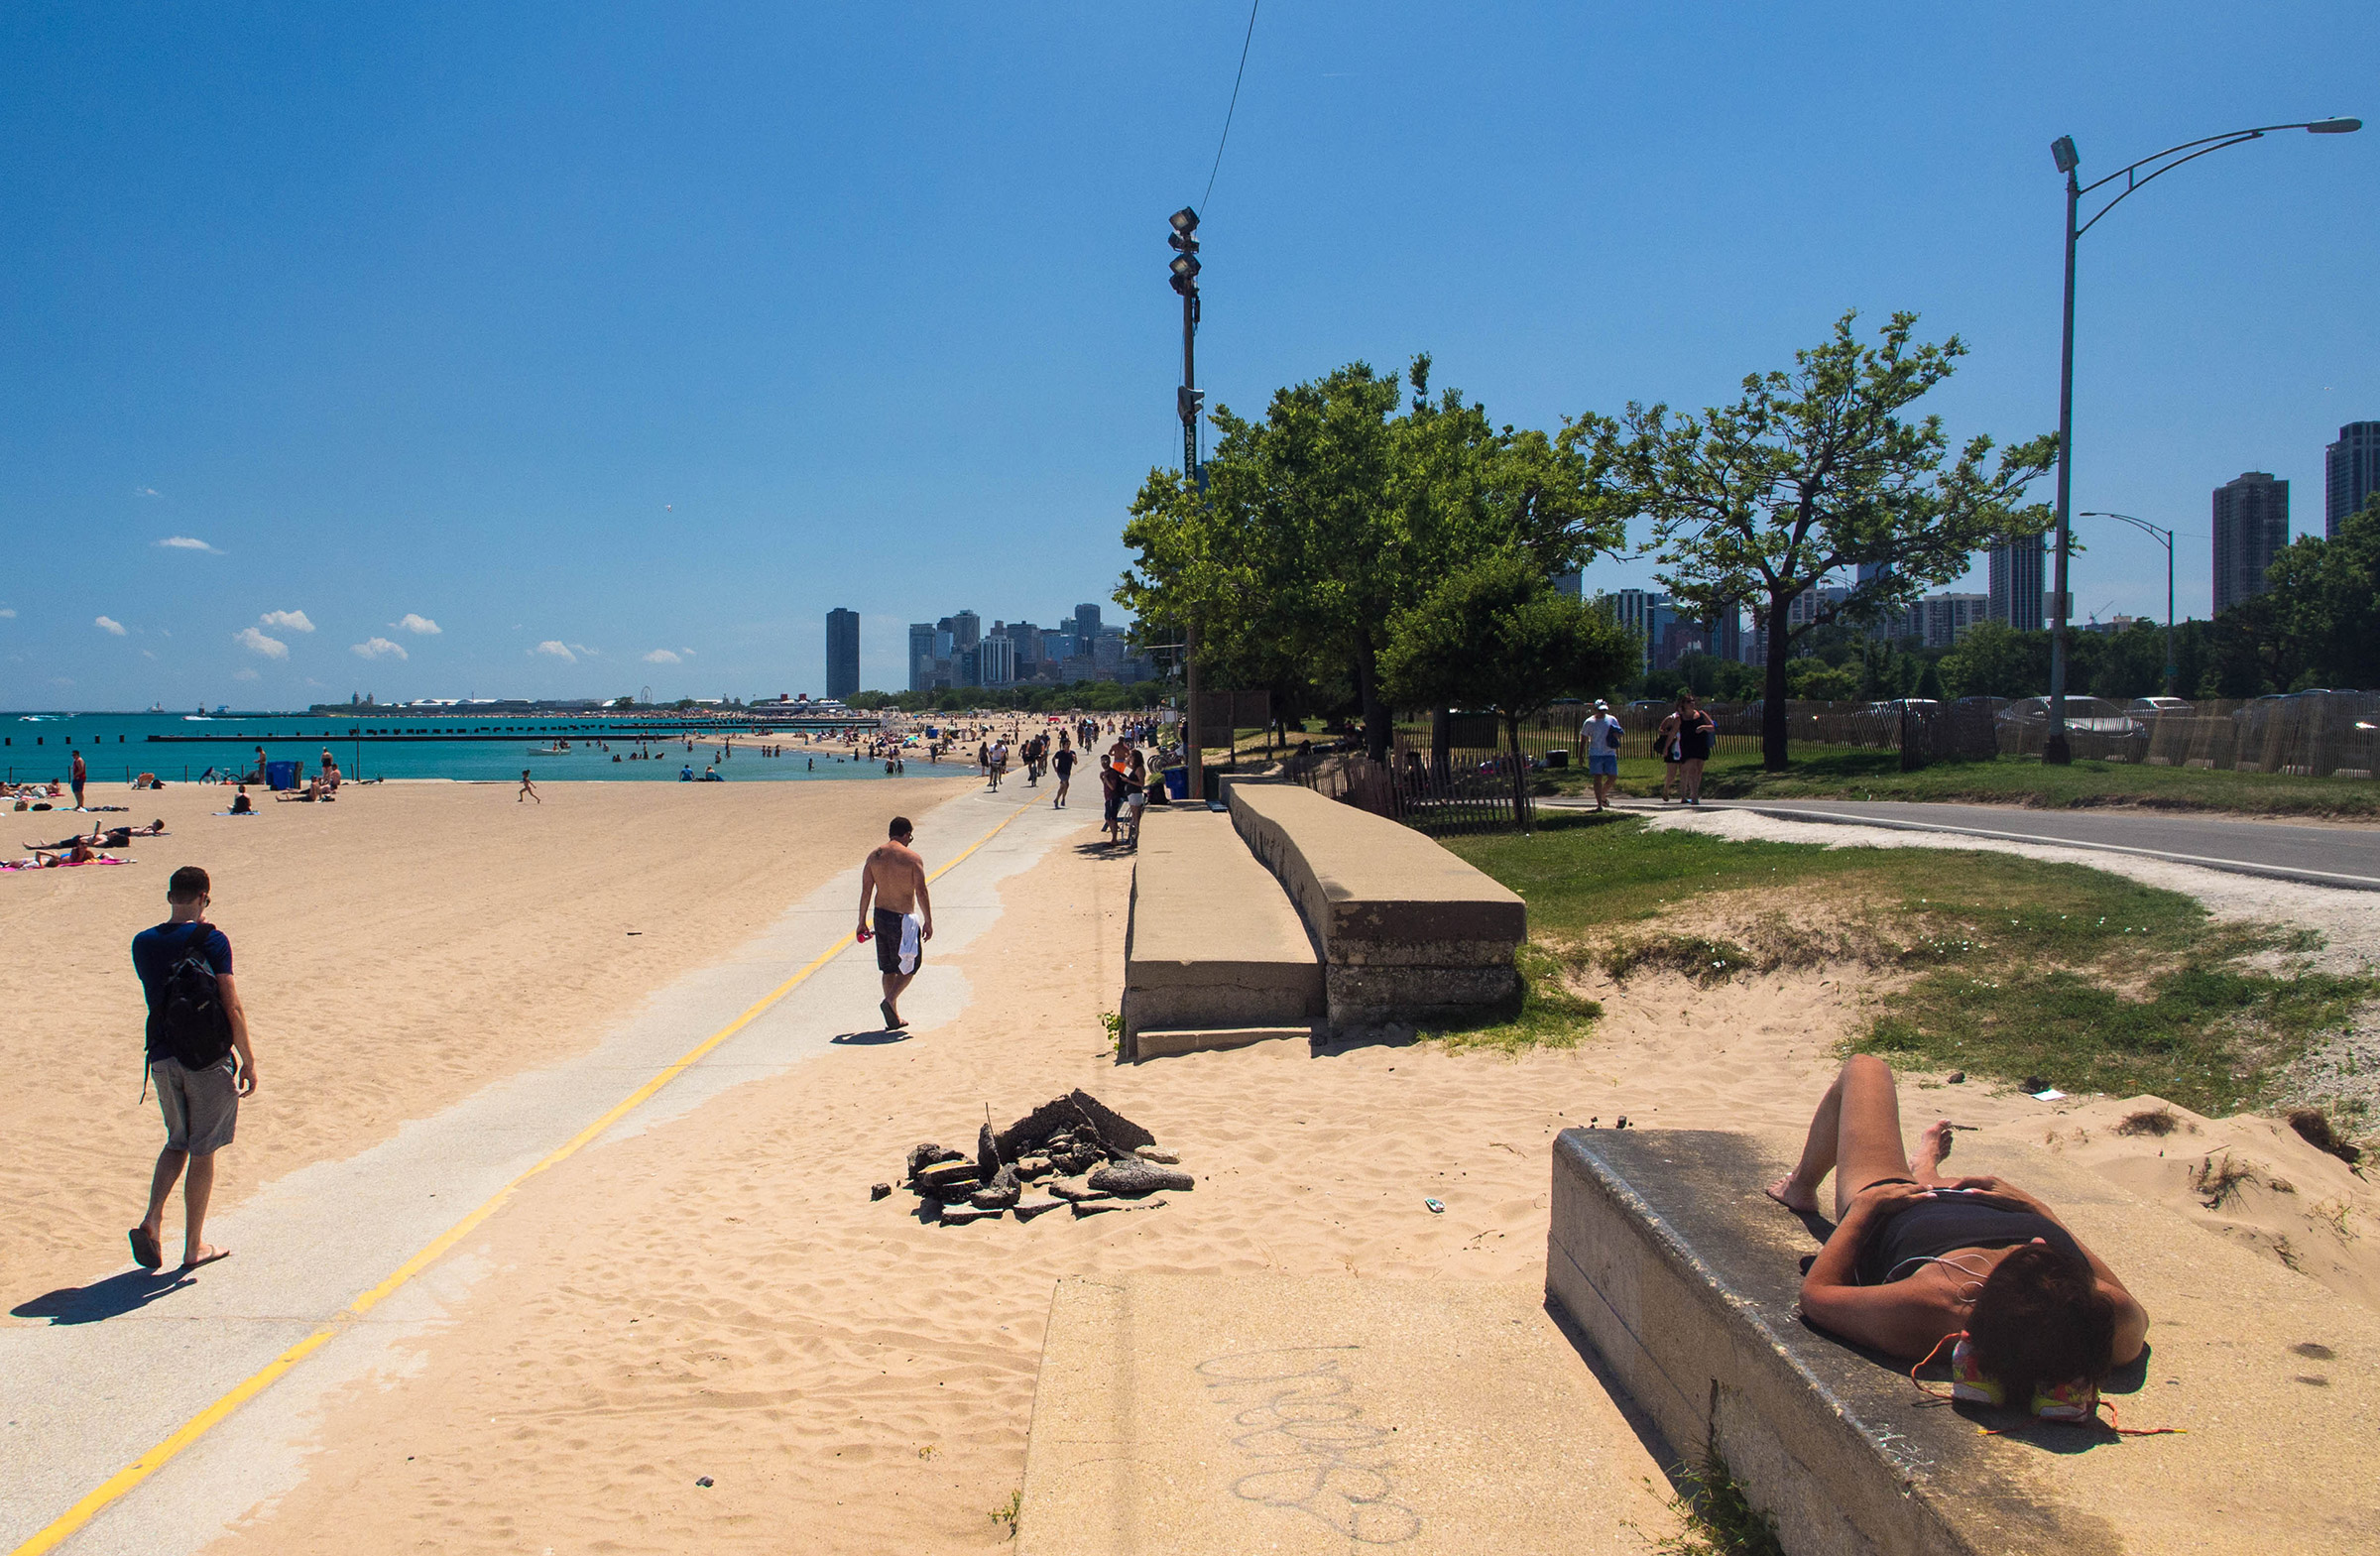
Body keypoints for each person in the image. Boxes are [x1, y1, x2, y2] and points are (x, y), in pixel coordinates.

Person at [1770, 1056, 2147, 1397]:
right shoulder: (2107, 1317)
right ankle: (1928, 1170)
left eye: (2020, 1254)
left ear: (1978, 1291)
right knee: (1945, 1182)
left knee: (1866, 1068)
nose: (2034, 1241)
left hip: (1898, 1207)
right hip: (1996, 1204)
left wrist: (1863, 1210)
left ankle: (1801, 1186)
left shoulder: (1933, 1301)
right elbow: (2134, 1309)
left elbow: (1816, 1296)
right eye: (2045, 1249)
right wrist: (2040, 1211)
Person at [129, 865, 257, 1272]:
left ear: (170, 896)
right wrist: (249, 1059)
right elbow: (231, 1004)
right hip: (206, 1057)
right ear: (205, 897)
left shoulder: (142, 943)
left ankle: (151, 1219)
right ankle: (194, 1246)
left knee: (176, 1140)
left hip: (163, 1055)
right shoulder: (214, 940)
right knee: (204, 1151)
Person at [856, 815, 934, 1030]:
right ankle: (890, 1000)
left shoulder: (874, 856)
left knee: (889, 967)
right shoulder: (912, 858)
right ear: (906, 833)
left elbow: (866, 891)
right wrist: (928, 920)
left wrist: (861, 921)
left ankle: (894, 1015)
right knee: (912, 964)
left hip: (880, 916)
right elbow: (921, 891)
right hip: (903, 919)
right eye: (910, 836)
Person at [1581, 699, 1623, 811]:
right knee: (1598, 777)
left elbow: (1618, 734)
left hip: (1609, 752)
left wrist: (1616, 735)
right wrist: (1580, 755)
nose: (1602, 713)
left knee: (1613, 776)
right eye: (1600, 710)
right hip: (1596, 753)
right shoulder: (1589, 722)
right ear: (1595, 710)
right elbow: (1584, 738)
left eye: (1604, 710)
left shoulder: (1612, 719)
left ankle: (1602, 794)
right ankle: (1599, 804)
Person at [1675, 689, 1717, 805]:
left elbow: (1712, 727)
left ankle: (1695, 792)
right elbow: (1673, 731)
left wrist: (1703, 727)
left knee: (1698, 770)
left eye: (1692, 701)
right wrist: (1666, 748)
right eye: (1688, 701)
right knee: (1692, 769)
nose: (1691, 703)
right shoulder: (1680, 717)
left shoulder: (1701, 714)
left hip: (1700, 744)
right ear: (1683, 704)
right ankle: (1694, 796)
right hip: (1688, 745)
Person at [1654, 702, 1684, 802]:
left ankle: (1683, 795)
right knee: (1672, 773)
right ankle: (1666, 788)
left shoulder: (1688, 719)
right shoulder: (1671, 718)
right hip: (1672, 747)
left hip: (1684, 747)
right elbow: (1660, 731)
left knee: (1684, 771)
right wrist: (1671, 734)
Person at [1052, 740, 1075, 809]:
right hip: (1060, 771)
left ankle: (1056, 799)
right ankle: (1063, 799)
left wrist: (1074, 758)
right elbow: (1053, 759)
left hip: (1067, 772)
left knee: (1063, 787)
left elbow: (1075, 762)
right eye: (1066, 744)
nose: (1067, 746)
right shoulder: (1060, 753)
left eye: (1069, 744)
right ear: (1063, 745)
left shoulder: (1072, 753)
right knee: (1067, 784)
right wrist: (1055, 767)